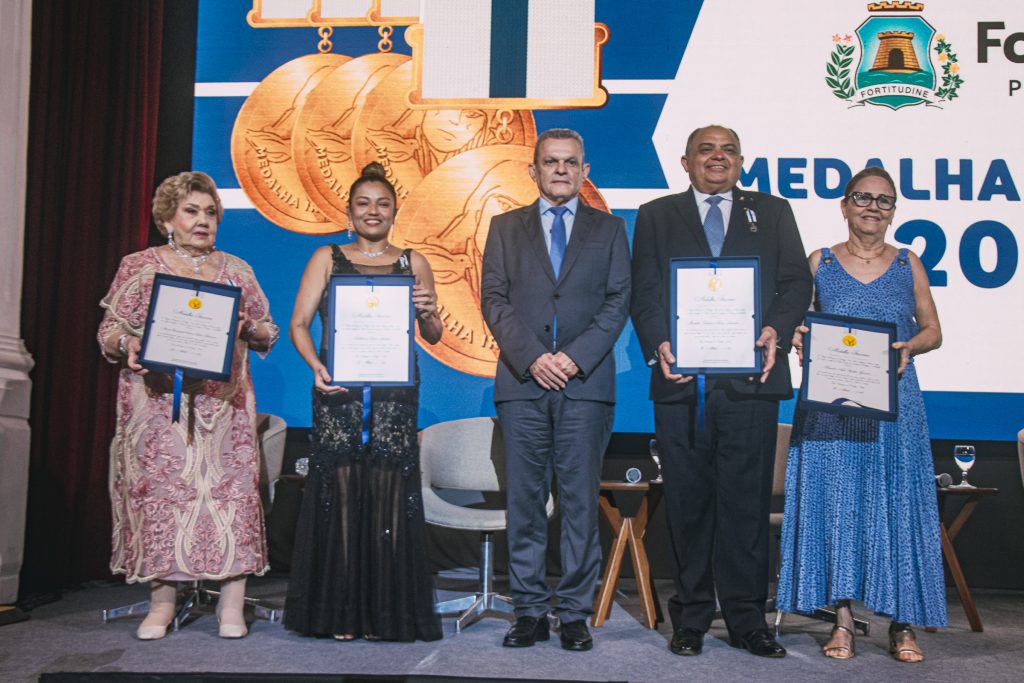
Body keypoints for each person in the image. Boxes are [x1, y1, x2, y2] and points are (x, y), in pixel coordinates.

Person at [630, 125, 812, 658]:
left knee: (745, 508)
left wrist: (776, 327)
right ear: (686, 162)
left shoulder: (772, 211)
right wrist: (659, 341)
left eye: (727, 150)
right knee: (687, 506)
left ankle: (748, 620)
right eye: (706, 150)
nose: (717, 157)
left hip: (752, 383)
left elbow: (797, 282)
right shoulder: (657, 215)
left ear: (740, 162)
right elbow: (643, 290)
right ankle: (688, 619)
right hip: (680, 382)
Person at [98, 171, 278, 640]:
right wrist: (127, 346)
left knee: (230, 495)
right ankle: (162, 603)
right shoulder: (140, 265)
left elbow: (266, 332)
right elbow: (110, 332)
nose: (203, 221)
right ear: (167, 218)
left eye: (211, 212)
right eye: (191, 211)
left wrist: (246, 325)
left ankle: (232, 604)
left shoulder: (236, 270)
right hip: (160, 407)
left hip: (224, 408)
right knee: (165, 493)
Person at [777, 166, 945, 662]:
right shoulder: (820, 261)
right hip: (831, 409)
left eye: (884, 201)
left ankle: (902, 626)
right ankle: (843, 622)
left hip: (896, 407)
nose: (873, 207)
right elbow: (795, 323)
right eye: (863, 197)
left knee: (897, 508)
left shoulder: (908, 263)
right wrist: (797, 336)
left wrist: (909, 347)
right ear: (845, 205)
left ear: (894, 211)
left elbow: (933, 329)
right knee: (839, 507)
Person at [481, 129, 631, 651]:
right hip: (523, 385)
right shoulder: (504, 227)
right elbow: (494, 299)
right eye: (551, 162)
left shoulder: (611, 230)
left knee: (578, 503)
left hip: (584, 386)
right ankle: (527, 611)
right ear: (533, 171)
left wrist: (571, 358)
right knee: (525, 503)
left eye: (570, 162)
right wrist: (534, 359)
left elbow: (618, 303)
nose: (561, 170)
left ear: (585, 170)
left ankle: (571, 613)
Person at [284, 162, 444, 642]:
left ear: (395, 211)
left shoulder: (412, 261)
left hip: (395, 399)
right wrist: (316, 366)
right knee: (343, 498)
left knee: (390, 498)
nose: (373, 211)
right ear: (349, 212)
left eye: (382, 203)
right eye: (363, 203)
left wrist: (429, 311)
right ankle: (343, 612)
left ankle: (384, 614)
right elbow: (298, 323)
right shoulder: (327, 258)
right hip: (339, 396)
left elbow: (432, 334)